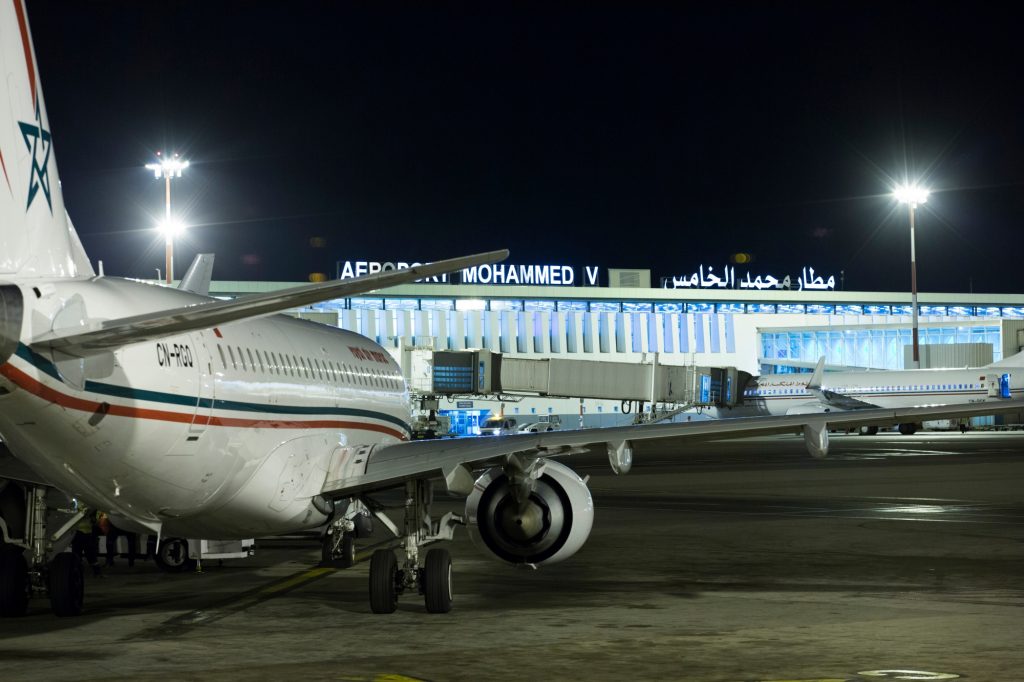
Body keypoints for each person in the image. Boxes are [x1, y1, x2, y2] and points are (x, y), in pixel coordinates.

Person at [71, 507, 102, 576]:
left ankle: (96, 572)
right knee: (79, 554)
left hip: (86, 534)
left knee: (89, 554)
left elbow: (96, 522)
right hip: (80, 533)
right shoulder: (83, 507)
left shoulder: (91, 511)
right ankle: (78, 572)